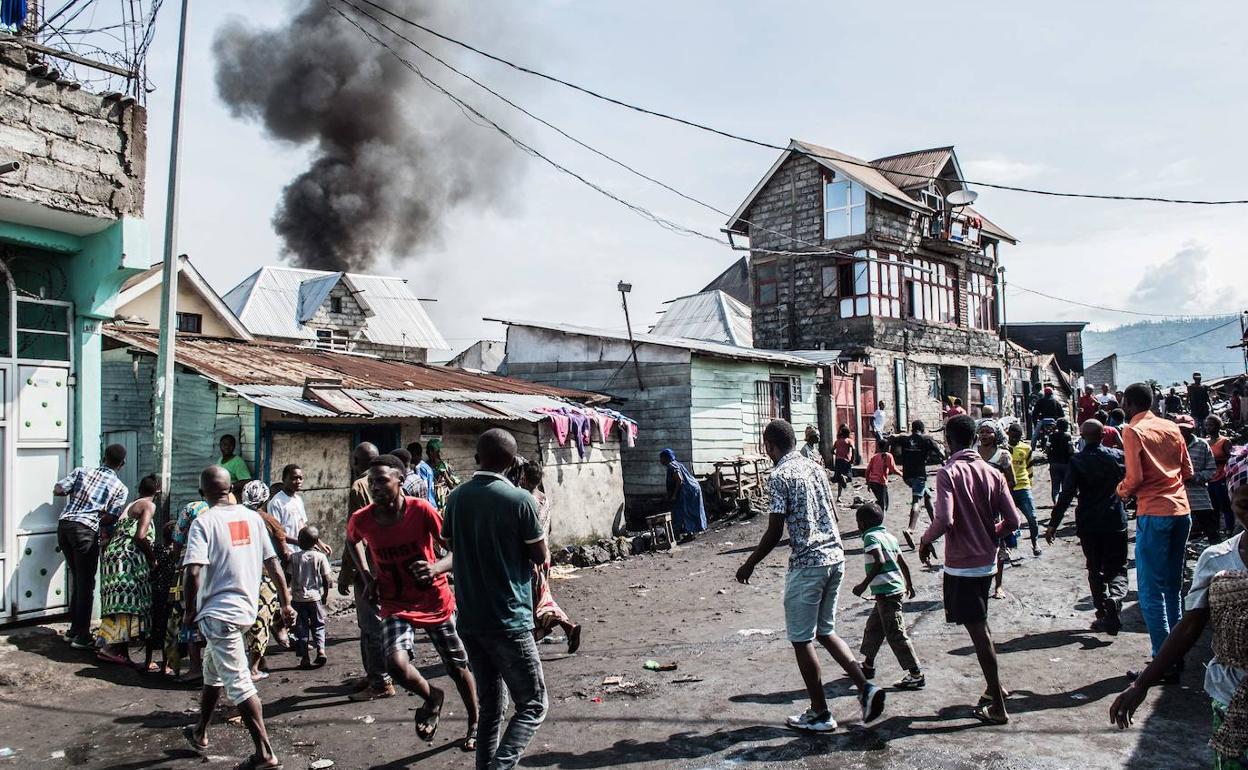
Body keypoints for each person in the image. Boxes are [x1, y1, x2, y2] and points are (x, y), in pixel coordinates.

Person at [736, 419, 884, 733]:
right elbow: (831, 508)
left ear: (771, 446)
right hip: (835, 557)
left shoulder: (779, 475)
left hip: (808, 564)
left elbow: (775, 529)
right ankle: (866, 689)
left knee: (802, 639)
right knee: (825, 631)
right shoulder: (815, 466)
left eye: (767, 447)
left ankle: (820, 713)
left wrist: (750, 563)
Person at [1110, 446, 1248, 766]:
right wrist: (1141, 684)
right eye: (1244, 504)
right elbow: (1190, 626)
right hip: (1230, 696)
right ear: (1231, 501)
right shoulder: (1216, 559)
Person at [348, 454, 480, 749]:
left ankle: (475, 722)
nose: (375, 487)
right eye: (372, 483)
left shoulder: (421, 511)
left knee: (458, 667)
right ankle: (432, 696)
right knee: (395, 663)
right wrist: (367, 577)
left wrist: (436, 568)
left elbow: (455, 549)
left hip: (434, 600)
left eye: (382, 481)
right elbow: (352, 539)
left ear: (400, 480)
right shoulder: (363, 518)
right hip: (395, 602)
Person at [440, 429, 549, 768]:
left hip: (470, 618)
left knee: (491, 710)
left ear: (477, 457)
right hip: (509, 618)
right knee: (533, 704)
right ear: (513, 462)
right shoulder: (520, 500)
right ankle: (501, 765)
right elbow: (539, 555)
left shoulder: (456, 498)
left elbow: (448, 544)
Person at [181, 465, 295, 770]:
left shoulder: (203, 522)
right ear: (230, 487)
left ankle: (265, 753)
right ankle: (200, 731)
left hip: (219, 614)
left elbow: (192, 571)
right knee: (213, 671)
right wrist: (285, 601)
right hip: (246, 610)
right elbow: (273, 563)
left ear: (203, 491)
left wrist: (188, 611)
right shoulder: (252, 518)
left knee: (240, 683)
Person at [919, 415, 1020, 725]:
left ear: (949, 440)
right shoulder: (993, 473)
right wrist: (992, 534)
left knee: (978, 633)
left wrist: (924, 541)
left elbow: (945, 519)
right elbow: (1013, 521)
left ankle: (999, 705)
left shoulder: (948, 473)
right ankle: (996, 688)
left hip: (963, 567)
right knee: (982, 626)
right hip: (988, 563)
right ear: (976, 438)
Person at [1118, 382, 1194, 679]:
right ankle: (1175, 656)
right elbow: (1186, 471)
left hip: (1154, 512)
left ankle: (1161, 660)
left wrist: (1121, 491)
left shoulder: (1133, 430)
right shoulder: (1171, 427)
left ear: (1130, 402)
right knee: (1173, 588)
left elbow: (1134, 478)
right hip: (1181, 511)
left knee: (1150, 590)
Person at [1045, 420, 1128, 635]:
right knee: (1117, 566)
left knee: (1094, 567)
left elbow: (1066, 494)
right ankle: (1116, 598)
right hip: (1114, 519)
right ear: (1103, 435)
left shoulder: (1077, 461)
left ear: (1082, 436)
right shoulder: (1117, 457)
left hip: (1089, 522)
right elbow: (1132, 482)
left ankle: (1102, 612)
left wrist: (1054, 523)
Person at [54, 443, 129, 650]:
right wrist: (95, 517)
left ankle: (73, 630)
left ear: (104, 457)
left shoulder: (81, 471)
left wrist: (74, 496)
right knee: (86, 583)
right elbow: (111, 516)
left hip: (65, 526)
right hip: (85, 532)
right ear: (122, 464)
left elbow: (59, 489)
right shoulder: (120, 488)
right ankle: (82, 636)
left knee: (78, 579)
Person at [338, 442, 396, 703]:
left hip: (369, 570)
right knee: (380, 622)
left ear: (357, 461)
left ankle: (380, 680)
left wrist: (348, 573)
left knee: (371, 624)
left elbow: (354, 536)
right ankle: (378, 673)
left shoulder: (359, 486)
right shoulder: (393, 483)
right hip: (388, 564)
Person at [851, 502, 924, 690]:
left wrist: (863, 585)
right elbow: (903, 563)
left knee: (896, 632)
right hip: (891, 590)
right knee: (874, 628)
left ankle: (916, 673)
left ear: (863, 523)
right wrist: (909, 584)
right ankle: (868, 665)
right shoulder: (889, 537)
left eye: (858, 522)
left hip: (887, 592)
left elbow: (879, 561)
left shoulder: (870, 537)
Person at [97, 474, 159, 668]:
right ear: (157, 491)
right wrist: (152, 559)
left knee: (122, 604)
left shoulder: (131, 506)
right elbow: (141, 536)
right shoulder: (149, 505)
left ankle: (118, 652)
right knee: (126, 602)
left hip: (114, 556)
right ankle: (110, 650)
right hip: (126, 559)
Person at [519, 463, 582, 653]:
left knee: (537, 601)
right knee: (541, 596)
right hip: (544, 554)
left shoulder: (526, 500)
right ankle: (559, 630)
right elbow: (550, 528)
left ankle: (567, 626)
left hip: (531, 558)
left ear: (524, 478)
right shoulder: (543, 498)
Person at [239, 480, 288, 681]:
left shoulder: (236, 516)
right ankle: (253, 668)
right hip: (264, 577)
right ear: (265, 498)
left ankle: (245, 663)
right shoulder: (266, 519)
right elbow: (282, 551)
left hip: (240, 575)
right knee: (261, 621)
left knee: (243, 623)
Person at [895, 421, 944, 551]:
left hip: (907, 476)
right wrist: (945, 463)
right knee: (916, 500)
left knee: (927, 496)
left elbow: (893, 441)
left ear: (912, 429)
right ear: (922, 429)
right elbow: (940, 454)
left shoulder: (904, 439)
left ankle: (936, 525)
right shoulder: (926, 439)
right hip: (919, 475)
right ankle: (910, 529)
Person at [290, 526, 332, 670]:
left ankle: (305, 657)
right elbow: (326, 578)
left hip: (298, 599)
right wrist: (325, 594)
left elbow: (288, 576)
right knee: (319, 625)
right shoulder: (320, 557)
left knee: (300, 628)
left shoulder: (294, 557)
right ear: (315, 542)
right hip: (315, 598)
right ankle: (321, 650)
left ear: (299, 541)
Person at [1177, 415, 1219, 544]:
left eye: (1186, 429)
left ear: (1192, 429)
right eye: (1180, 429)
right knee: (1179, 534)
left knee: (1211, 530)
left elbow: (1211, 470)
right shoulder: (1171, 444)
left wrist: (1194, 477)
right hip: (1178, 496)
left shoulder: (1202, 444)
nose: (1183, 432)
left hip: (1199, 496)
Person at [1007, 423, 1041, 558]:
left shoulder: (1026, 448)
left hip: (1023, 487)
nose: (1015, 440)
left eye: (1018, 437)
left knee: (1032, 518)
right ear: (1008, 434)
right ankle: (1008, 548)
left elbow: (1030, 467)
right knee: (1008, 521)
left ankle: (1035, 543)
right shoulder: (1002, 449)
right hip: (1007, 489)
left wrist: (1029, 484)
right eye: (1013, 436)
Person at [660, 448, 707, 544]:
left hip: (687, 490)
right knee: (688, 510)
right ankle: (689, 532)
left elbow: (679, 480)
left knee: (686, 511)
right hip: (693, 488)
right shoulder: (676, 464)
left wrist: (674, 495)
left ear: (666, 458)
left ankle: (689, 534)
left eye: (661, 458)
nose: (660, 461)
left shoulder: (672, 466)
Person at [268, 464, 310, 557]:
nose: (298, 481)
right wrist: (298, 542)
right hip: (286, 553)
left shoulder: (298, 499)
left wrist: (317, 542)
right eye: (294, 478)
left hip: (299, 551)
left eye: (300, 478)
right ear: (284, 479)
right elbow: (277, 532)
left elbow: (302, 524)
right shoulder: (276, 502)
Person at [1207, 416, 1234, 537]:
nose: (1208, 428)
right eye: (1207, 425)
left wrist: (1216, 461)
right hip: (1209, 479)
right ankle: (1216, 530)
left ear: (1218, 426)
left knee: (1225, 506)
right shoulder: (1205, 442)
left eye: (1211, 425)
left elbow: (1231, 458)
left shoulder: (1224, 441)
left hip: (1221, 477)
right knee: (1213, 507)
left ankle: (1229, 529)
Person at [865, 443, 903, 512]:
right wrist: (902, 474)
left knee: (881, 502)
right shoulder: (887, 455)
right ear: (888, 447)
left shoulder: (874, 456)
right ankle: (878, 519)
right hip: (880, 482)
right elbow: (893, 469)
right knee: (884, 505)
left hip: (873, 482)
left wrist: (868, 483)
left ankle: (875, 514)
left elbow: (868, 471)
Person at [1047, 418, 1075, 505]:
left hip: (1054, 464)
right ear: (1066, 426)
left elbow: (1047, 450)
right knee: (1065, 486)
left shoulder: (1051, 436)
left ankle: (1055, 503)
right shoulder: (1068, 436)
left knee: (1055, 486)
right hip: (1066, 464)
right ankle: (1063, 504)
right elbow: (1071, 451)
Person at [426, 438, 460, 507]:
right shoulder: (425, 467)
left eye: (437, 451)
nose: (430, 453)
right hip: (430, 501)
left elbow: (452, 486)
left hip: (444, 501)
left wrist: (445, 475)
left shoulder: (445, 466)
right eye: (429, 450)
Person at [217, 434, 252, 498]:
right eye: (224, 444)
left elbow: (247, 481)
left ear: (234, 446)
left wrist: (231, 486)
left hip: (232, 497)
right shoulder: (220, 459)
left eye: (230, 445)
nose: (227, 447)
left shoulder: (238, 462)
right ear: (220, 446)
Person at [831, 425, 855, 499]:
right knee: (849, 477)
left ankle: (839, 497)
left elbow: (832, 450)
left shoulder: (837, 441)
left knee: (839, 480)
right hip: (846, 461)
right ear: (848, 433)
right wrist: (852, 459)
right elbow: (853, 449)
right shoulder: (849, 441)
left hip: (838, 461)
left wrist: (837, 454)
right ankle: (844, 478)